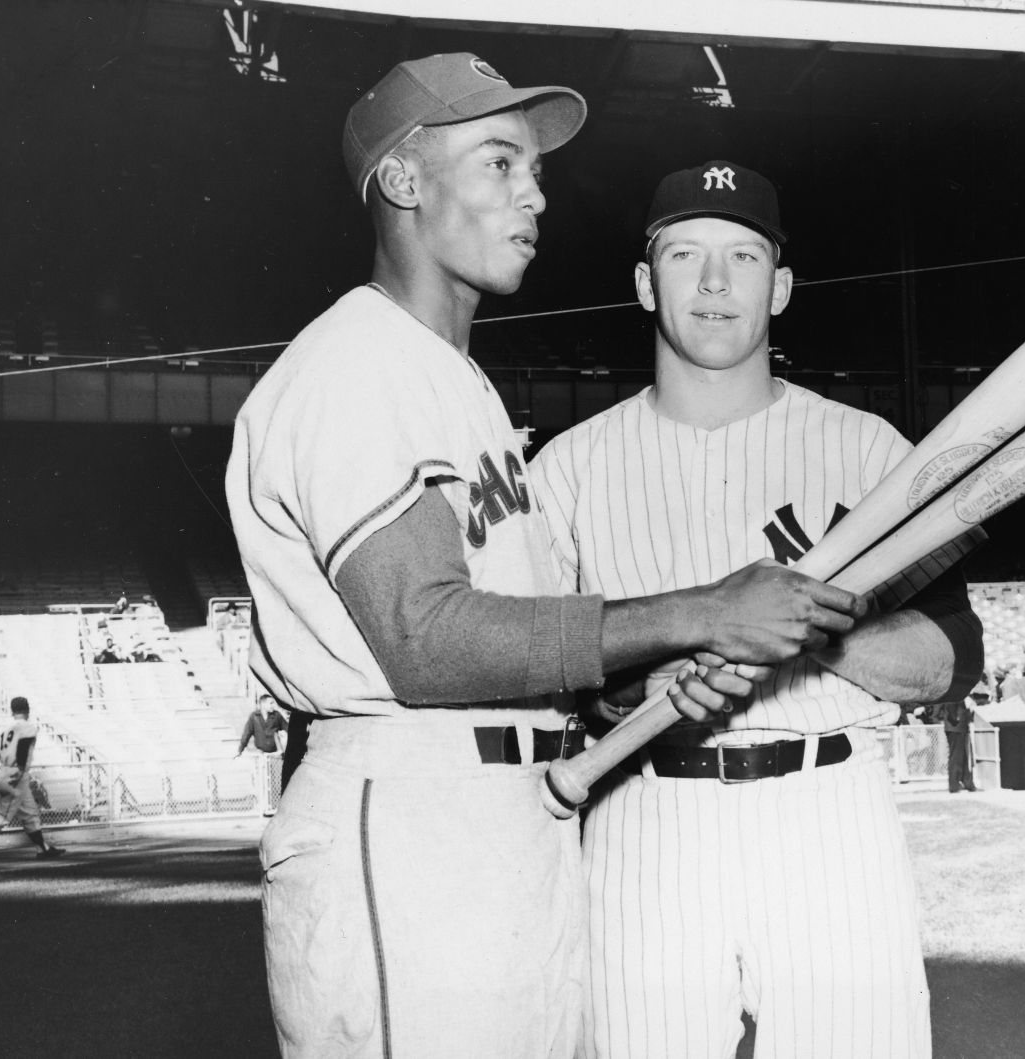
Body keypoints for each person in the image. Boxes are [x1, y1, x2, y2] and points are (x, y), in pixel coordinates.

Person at [224, 70, 862, 1059]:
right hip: (411, 823)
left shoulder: (453, 382)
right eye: (499, 162)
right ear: (401, 179)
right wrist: (699, 613)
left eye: (534, 168)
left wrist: (629, 687)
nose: (537, 193)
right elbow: (425, 641)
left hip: (506, 817)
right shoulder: (357, 366)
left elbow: (513, 635)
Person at [530, 161, 984, 1059]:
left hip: (829, 815)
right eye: (684, 253)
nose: (712, 282)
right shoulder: (568, 471)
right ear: (642, 282)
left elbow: (952, 658)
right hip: (644, 816)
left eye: (741, 256)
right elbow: (535, 671)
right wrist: (627, 689)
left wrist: (814, 629)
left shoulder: (867, 452)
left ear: (777, 288)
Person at [0, 697, 66, 861]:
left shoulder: (4, 732)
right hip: (16, 775)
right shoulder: (27, 727)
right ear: (27, 710)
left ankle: (42, 848)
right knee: (2, 815)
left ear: (12, 712)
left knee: (30, 814)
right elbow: (23, 747)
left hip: (6, 772)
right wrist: (19, 770)